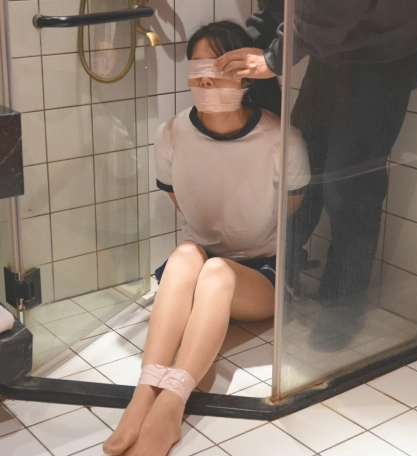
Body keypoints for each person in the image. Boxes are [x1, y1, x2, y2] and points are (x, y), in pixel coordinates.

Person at [102, 21, 310, 456]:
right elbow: (180, 200)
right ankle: (144, 395)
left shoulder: (281, 139)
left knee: (216, 270)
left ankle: (171, 405)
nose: (207, 80)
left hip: (261, 274)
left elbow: (290, 211)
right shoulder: (171, 134)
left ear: (247, 74)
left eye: (220, 67)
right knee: (185, 254)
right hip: (197, 266)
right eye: (198, 69)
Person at [214, 0, 417, 340]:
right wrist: (249, 39)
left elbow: (332, 6)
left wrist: (273, 58)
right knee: (303, 158)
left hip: (389, 43)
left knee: (351, 183)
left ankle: (344, 299)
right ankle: (280, 271)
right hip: (341, 38)